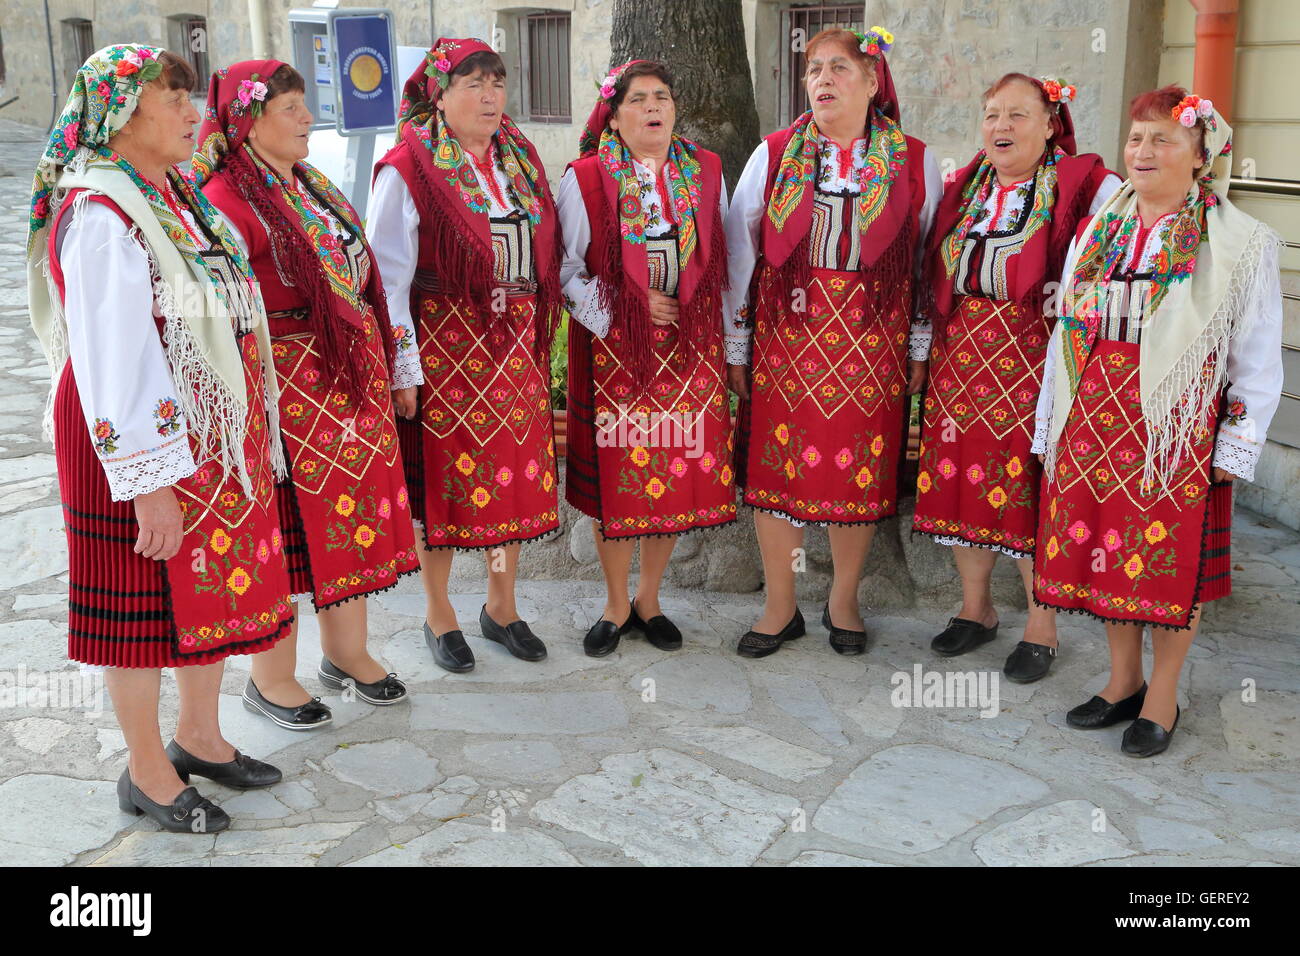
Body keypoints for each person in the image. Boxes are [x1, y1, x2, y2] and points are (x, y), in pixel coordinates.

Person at [27, 45, 292, 832]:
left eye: (189, 96)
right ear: (119, 113)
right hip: (128, 438)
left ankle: (200, 736)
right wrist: (148, 481)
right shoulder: (104, 213)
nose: (191, 112)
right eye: (170, 98)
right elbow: (116, 354)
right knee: (139, 609)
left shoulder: (172, 194)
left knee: (204, 595)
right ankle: (147, 771)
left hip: (200, 435)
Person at [1034, 86, 1283, 756]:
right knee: (1110, 555)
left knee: (1169, 567)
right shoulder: (1100, 228)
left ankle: (1163, 694)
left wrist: (1238, 442)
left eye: (1162, 139)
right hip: (1094, 418)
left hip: (1177, 431)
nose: (1143, 151)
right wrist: (1050, 412)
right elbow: (1067, 327)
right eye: (1137, 137)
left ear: (1201, 156)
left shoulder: (1241, 242)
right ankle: (1121, 681)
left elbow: (1257, 356)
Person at [193, 60, 417, 727]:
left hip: (343, 373)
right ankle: (271, 677)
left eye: (304, 105)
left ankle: (347, 652)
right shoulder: (224, 198)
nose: (306, 119)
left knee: (349, 509)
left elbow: (359, 273)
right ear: (247, 119)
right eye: (289, 108)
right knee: (289, 522)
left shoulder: (311, 185)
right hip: (280, 381)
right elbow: (221, 309)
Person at [724, 26, 941, 657]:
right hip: (788, 342)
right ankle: (779, 605)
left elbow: (930, 259)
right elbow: (741, 253)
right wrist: (737, 343)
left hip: (873, 343)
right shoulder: (773, 154)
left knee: (859, 474)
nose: (822, 79)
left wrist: (920, 342)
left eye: (840, 67)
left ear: (873, 82)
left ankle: (843, 600)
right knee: (777, 474)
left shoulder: (915, 159)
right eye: (814, 67)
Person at [912, 73, 1120, 682]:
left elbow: (1112, 271)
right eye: (991, 114)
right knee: (957, 482)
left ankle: (1041, 624)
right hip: (961, 358)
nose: (1000, 127)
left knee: (1029, 491)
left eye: (1018, 115)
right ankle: (976, 609)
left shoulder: (1088, 187)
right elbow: (934, 275)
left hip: (1035, 360)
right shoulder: (962, 191)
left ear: (1051, 123)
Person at [368, 38, 564, 672]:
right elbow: (387, 278)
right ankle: (439, 611)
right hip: (448, 348)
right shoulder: (409, 167)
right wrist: (403, 367)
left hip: (516, 349)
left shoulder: (520, 161)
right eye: (473, 84)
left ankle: (500, 606)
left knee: (507, 484)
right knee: (447, 485)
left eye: (497, 84)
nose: (489, 96)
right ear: (441, 94)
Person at [558, 60, 735, 657]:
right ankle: (613, 604)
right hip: (618, 355)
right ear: (614, 113)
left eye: (663, 96)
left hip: (688, 352)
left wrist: (703, 315)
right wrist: (628, 309)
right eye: (639, 99)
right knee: (621, 483)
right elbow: (565, 273)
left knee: (669, 479)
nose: (654, 108)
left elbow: (724, 256)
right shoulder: (585, 178)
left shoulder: (706, 172)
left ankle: (650, 601)